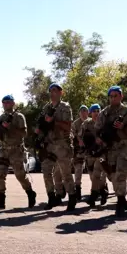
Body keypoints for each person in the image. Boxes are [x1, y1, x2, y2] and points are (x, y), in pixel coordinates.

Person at [95, 86, 127, 216]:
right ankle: (122, 199)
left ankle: (119, 202)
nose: (113, 98)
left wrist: (123, 127)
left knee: (120, 174)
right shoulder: (104, 113)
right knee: (112, 175)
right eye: (111, 96)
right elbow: (97, 129)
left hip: (123, 147)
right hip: (109, 149)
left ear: (121, 96)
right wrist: (99, 139)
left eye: (115, 96)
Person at [0, 95, 36, 209]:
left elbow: (24, 133)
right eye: (4, 102)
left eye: (8, 102)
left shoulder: (19, 117)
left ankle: (30, 193)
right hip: (4, 150)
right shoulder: (1, 117)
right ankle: (1, 200)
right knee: (0, 175)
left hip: (16, 150)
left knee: (20, 175)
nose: (6, 104)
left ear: (13, 103)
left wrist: (11, 127)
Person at [36, 83, 76, 211]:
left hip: (62, 144)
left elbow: (68, 126)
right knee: (46, 170)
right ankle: (51, 197)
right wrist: (38, 135)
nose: (52, 93)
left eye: (55, 90)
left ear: (60, 93)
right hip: (50, 145)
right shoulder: (46, 107)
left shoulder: (65, 107)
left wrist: (54, 121)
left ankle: (72, 197)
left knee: (65, 174)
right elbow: (42, 125)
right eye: (51, 91)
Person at [79, 103, 109, 207]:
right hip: (90, 154)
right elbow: (80, 137)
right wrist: (82, 142)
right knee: (93, 176)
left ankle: (93, 197)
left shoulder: (104, 123)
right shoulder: (86, 124)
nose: (96, 113)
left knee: (97, 173)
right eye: (94, 111)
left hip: (102, 153)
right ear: (90, 113)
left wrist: (102, 141)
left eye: (98, 111)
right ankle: (103, 191)